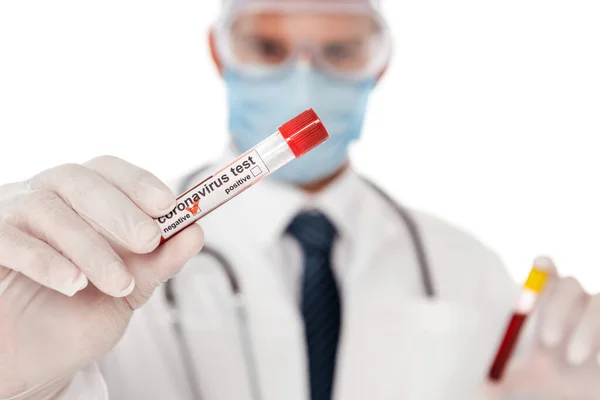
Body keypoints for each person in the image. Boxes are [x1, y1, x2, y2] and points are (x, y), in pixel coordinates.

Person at [1, 0, 599, 399]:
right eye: (266, 45)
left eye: (340, 51)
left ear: (381, 64)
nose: (304, 78)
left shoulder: (468, 271)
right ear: (219, 53)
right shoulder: (95, 262)